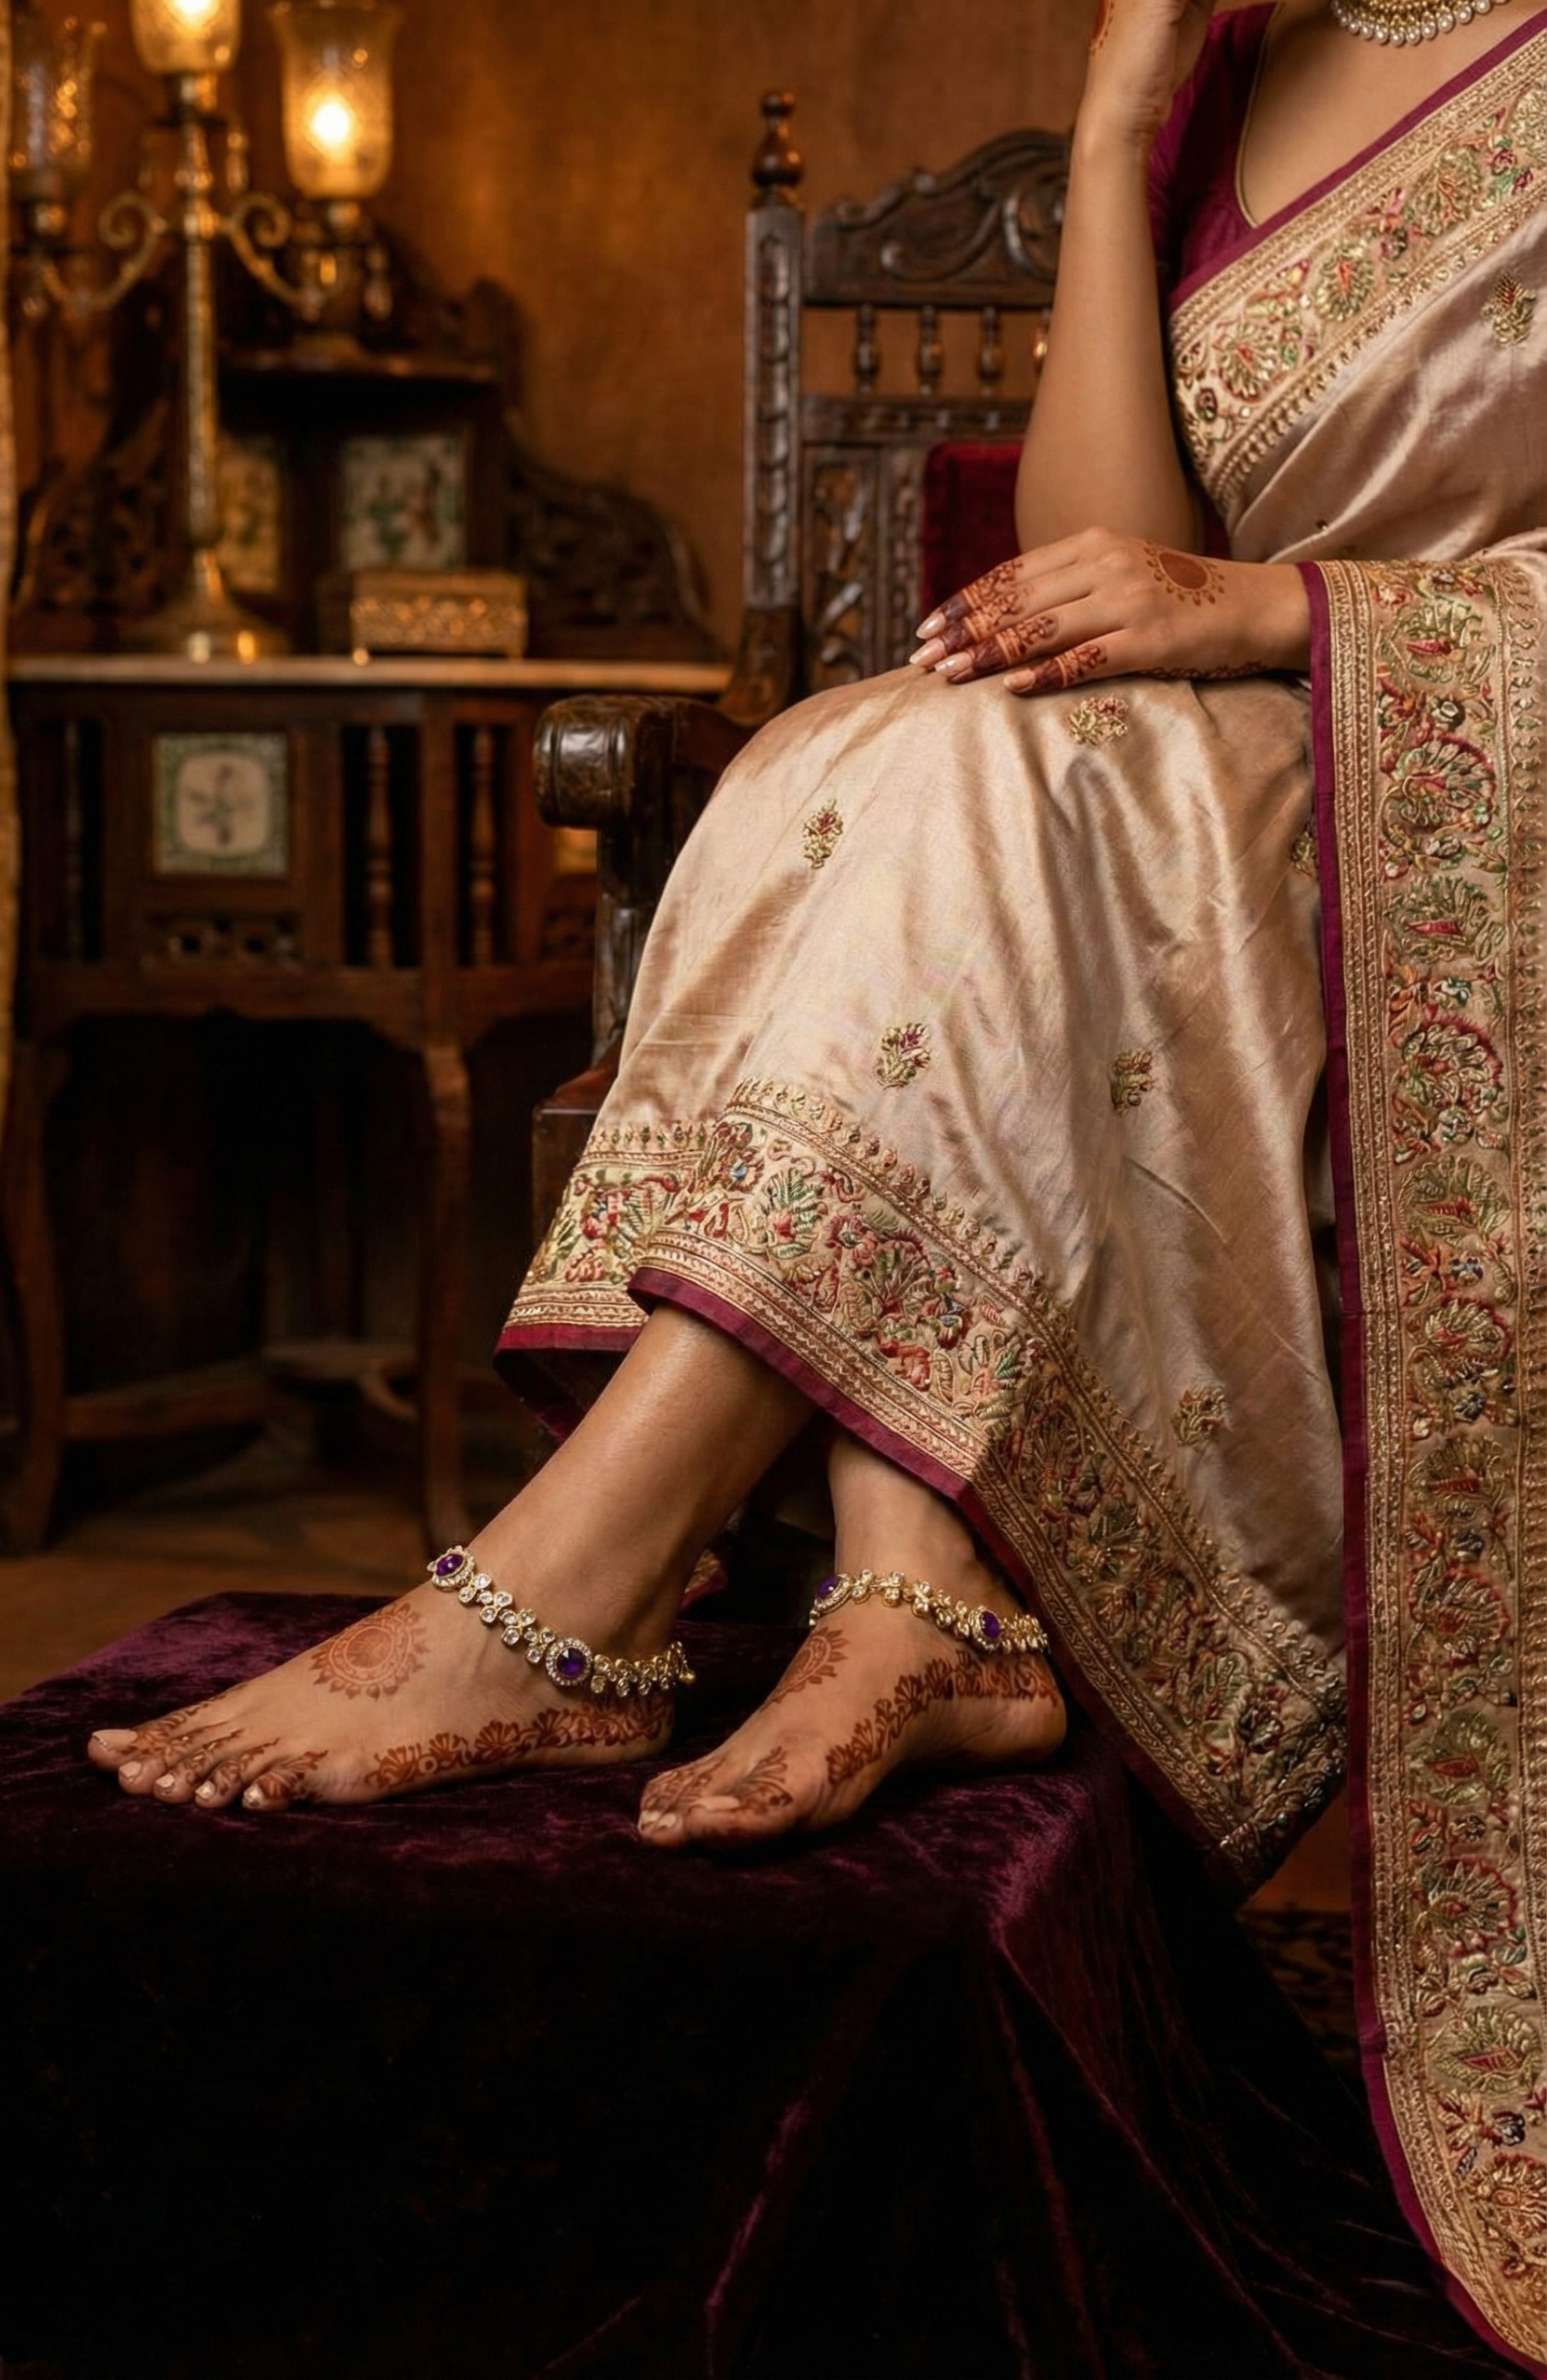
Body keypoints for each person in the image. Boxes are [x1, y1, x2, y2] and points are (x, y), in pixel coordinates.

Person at [86, 3, 1547, 2366]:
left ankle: (569, 1584)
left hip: (1465, 847)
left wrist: (1284, 616)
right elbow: (1086, 574)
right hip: (1187, 808)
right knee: (878, 748)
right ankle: (914, 1590)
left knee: (974, 779)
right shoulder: (1226, 69)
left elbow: (1186, 604)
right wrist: (1114, 119)